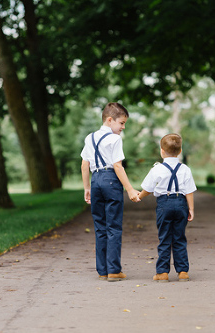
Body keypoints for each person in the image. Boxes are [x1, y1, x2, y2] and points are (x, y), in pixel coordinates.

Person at [81, 102, 140, 282]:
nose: (122, 127)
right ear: (109, 120)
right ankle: (114, 270)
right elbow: (117, 165)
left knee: (100, 227)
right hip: (111, 180)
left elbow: (85, 164)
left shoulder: (89, 138)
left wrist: (87, 187)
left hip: (96, 180)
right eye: (121, 123)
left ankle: (102, 271)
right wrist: (129, 189)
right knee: (113, 226)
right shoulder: (115, 139)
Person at [135, 133, 196, 282]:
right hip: (181, 203)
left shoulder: (157, 169)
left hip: (164, 204)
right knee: (179, 238)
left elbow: (148, 189)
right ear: (180, 151)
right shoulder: (185, 169)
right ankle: (183, 272)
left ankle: (162, 272)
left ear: (161, 151)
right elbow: (189, 191)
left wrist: (139, 196)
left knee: (164, 238)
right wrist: (191, 209)